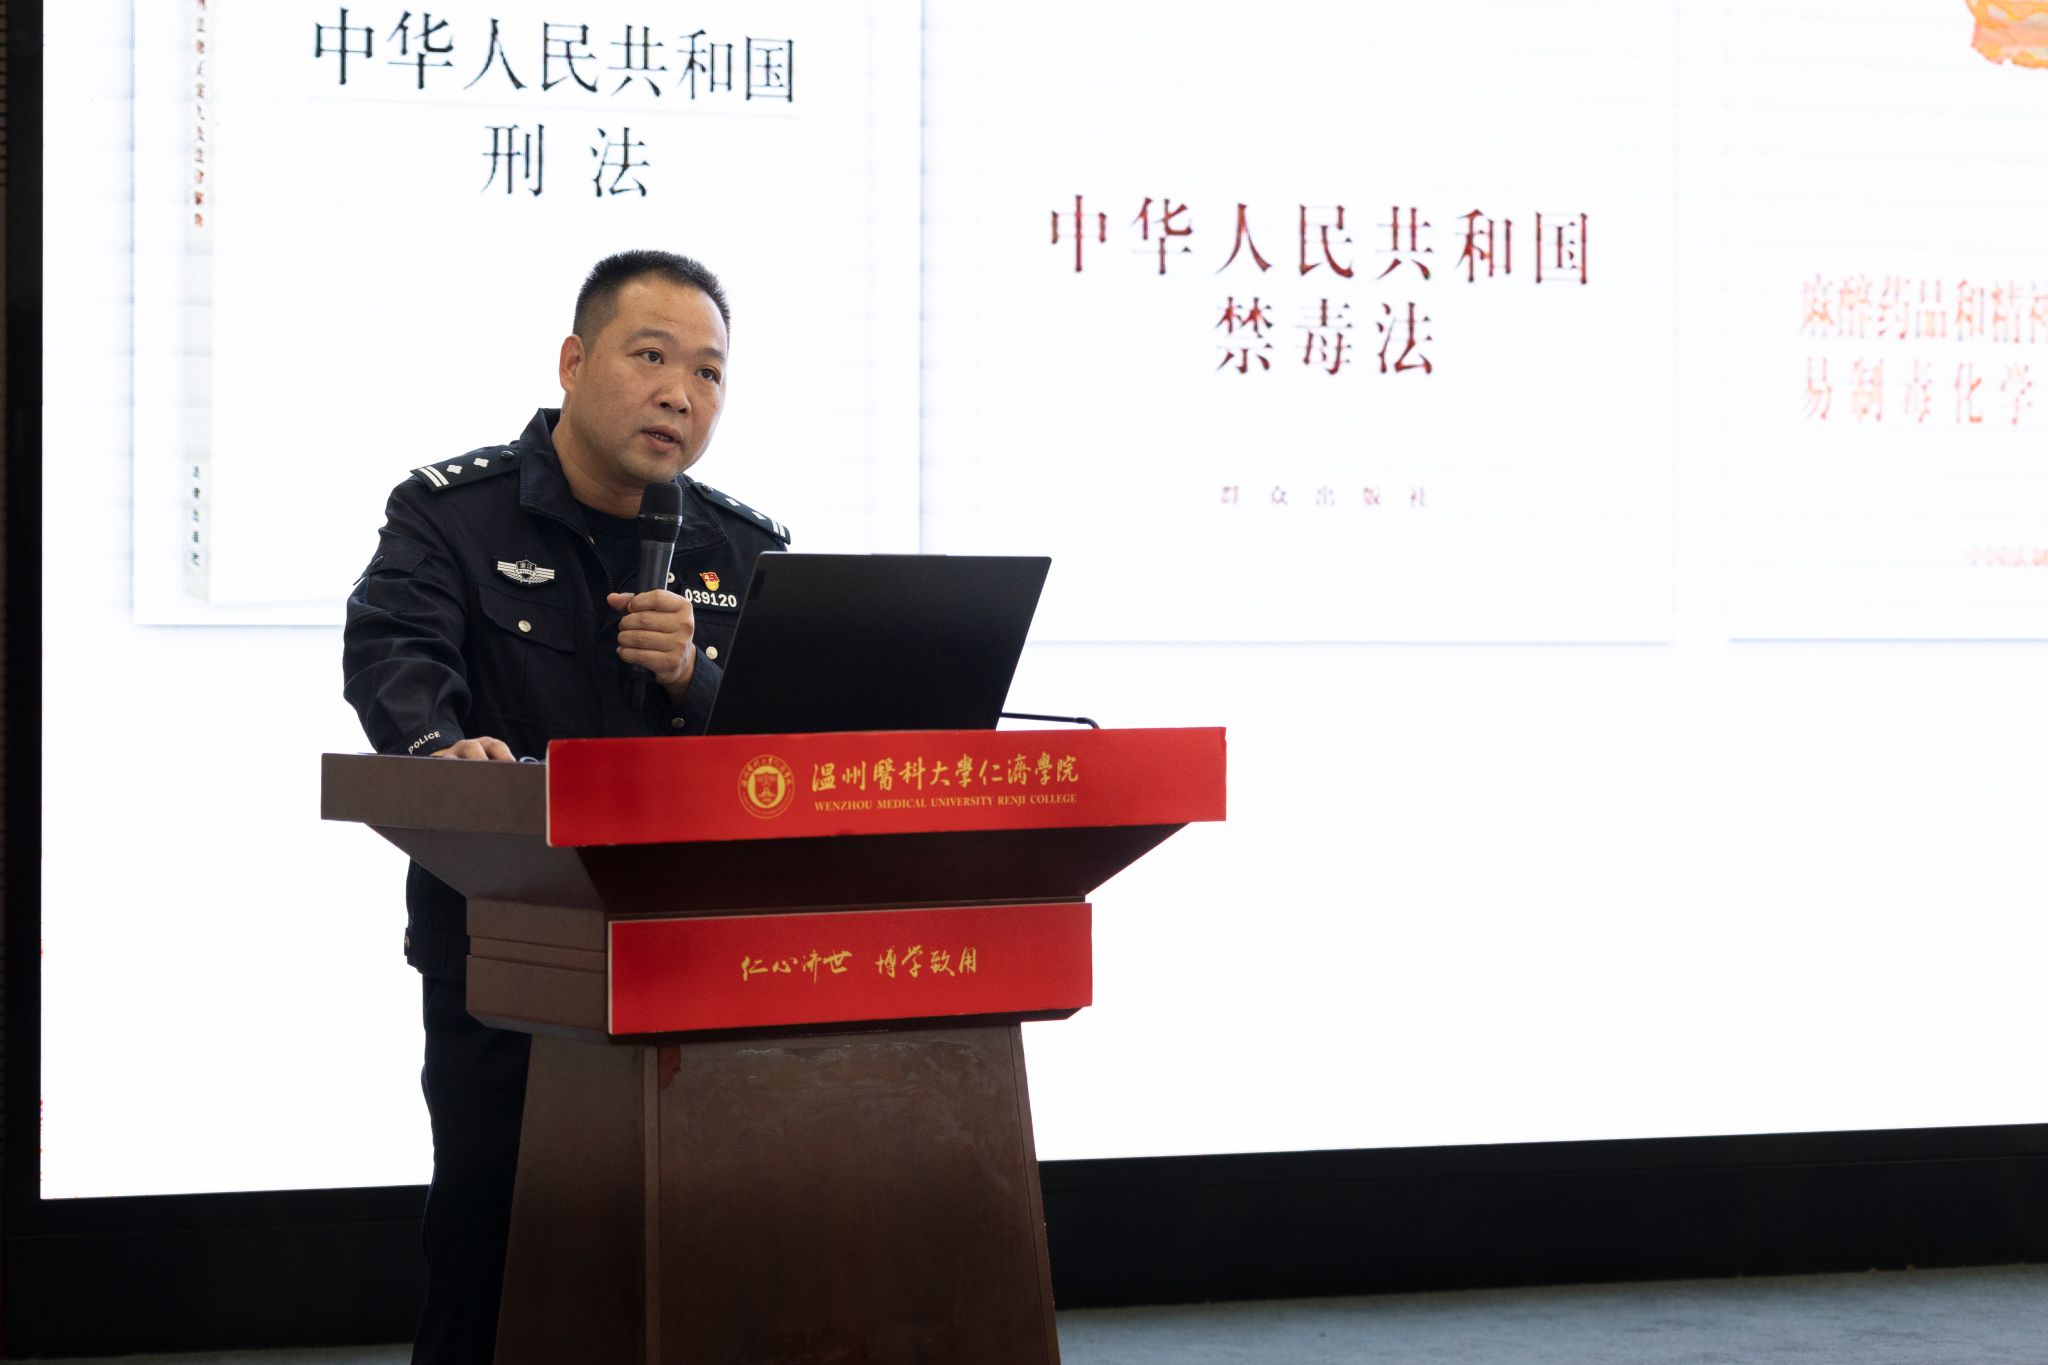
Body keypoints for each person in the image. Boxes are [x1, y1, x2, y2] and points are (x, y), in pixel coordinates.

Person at [341, 250, 789, 1365]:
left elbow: (787, 751)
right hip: (510, 950)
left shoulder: (743, 549)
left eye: (709, 373)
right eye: (651, 357)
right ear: (574, 362)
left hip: (699, 956)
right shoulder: (452, 513)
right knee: (496, 1246)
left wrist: (695, 677)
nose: (680, 394)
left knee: (703, 1249)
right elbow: (394, 652)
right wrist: (441, 749)